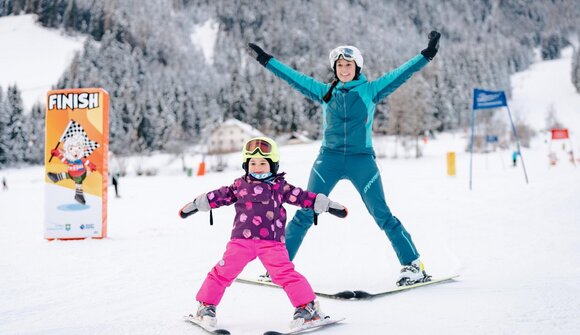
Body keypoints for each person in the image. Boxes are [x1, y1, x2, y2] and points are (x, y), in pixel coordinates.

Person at [246, 30, 441, 286]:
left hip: (362, 160)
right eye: (339, 65)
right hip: (329, 159)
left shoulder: (371, 90)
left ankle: (413, 265)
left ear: (356, 67)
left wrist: (426, 55)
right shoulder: (325, 92)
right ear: (334, 68)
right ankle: (278, 267)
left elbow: (400, 74)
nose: (344, 69)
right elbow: (293, 77)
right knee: (306, 210)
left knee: (381, 213)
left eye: (348, 64)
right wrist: (266, 60)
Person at [179, 137, 347, 329]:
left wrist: (327, 205)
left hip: (272, 243)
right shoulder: (239, 186)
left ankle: (308, 308)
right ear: (246, 165)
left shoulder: (280, 187)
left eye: (262, 163)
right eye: (253, 163)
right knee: (222, 272)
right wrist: (195, 205)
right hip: (241, 241)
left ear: (273, 165)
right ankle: (205, 306)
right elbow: (219, 196)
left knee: (285, 274)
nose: (257, 167)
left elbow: (302, 197)